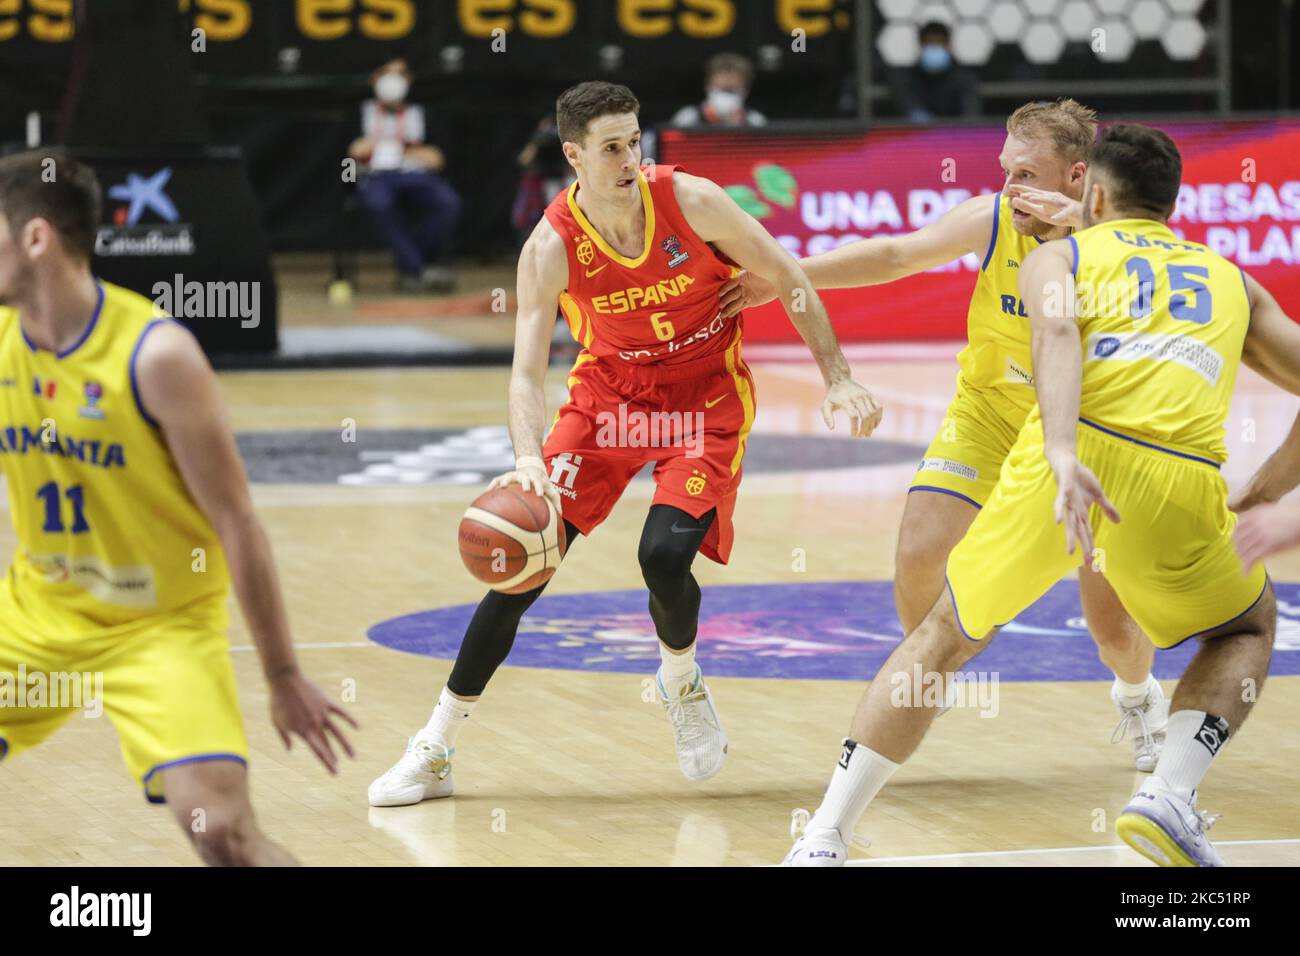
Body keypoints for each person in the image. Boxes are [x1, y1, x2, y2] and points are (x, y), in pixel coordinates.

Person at [783, 123, 1293, 867]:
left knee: (946, 635)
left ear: (1090, 188)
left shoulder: (1061, 254)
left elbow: (1055, 331)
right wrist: (1267, 489)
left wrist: (1060, 452)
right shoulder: (1230, 278)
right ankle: (1171, 796)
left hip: (1066, 456)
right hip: (1175, 472)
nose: (1010, 184)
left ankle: (823, 835)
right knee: (1244, 628)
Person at [368, 80, 880, 806]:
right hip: (607, 404)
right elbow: (523, 375)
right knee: (518, 571)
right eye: (611, 147)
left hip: (702, 403)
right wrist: (528, 461)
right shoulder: (550, 245)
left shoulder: (692, 200)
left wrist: (838, 378)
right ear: (574, 155)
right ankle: (435, 746)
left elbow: (787, 273)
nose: (629, 158)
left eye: (635, 141)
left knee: (663, 558)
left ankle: (680, 679)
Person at [722, 100, 1167, 771]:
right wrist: (790, 275)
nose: (1011, 186)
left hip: (1092, 430)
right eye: (1005, 170)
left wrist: (1086, 231)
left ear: (1078, 176)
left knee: (1112, 625)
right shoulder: (993, 218)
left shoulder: (1123, 238)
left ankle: (1137, 695)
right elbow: (898, 253)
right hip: (989, 414)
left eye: (1028, 173)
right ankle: (933, 672)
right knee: (919, 551)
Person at [0, 151, 355, 865]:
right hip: (39, 614)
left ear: (35, 238)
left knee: (220, 831)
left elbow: (236, 522)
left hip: (159, 626)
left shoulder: (156, 356)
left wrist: (283, 676)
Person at [348, 58, 461, 291]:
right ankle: (419, 268)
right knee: (378, 204)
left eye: (399, 74)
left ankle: (411, 266)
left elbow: (436, 158)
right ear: (374, 79)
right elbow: (354, 151)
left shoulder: (422, 114)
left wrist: (395, 148)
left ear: (409, 80)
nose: (393, 80)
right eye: (386, 73)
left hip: (416, 175)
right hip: (377, 176)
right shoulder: (360, 113)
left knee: (447, 202)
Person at [888, 20, 980, 123]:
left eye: (939, 43)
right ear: (921, 45)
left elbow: (970, 110)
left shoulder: (963, 77)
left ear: (948, 45)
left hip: (955, 135)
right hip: (920, 135)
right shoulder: (908, 77)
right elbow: (906, 101)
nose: (934, 48)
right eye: (930, 43)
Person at [668, 53, 767, 129]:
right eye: (722, 90)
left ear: (745, 91)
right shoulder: (686, 118)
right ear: (707, 87)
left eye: (731, 91)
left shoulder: (757, 122)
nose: (726, 97)